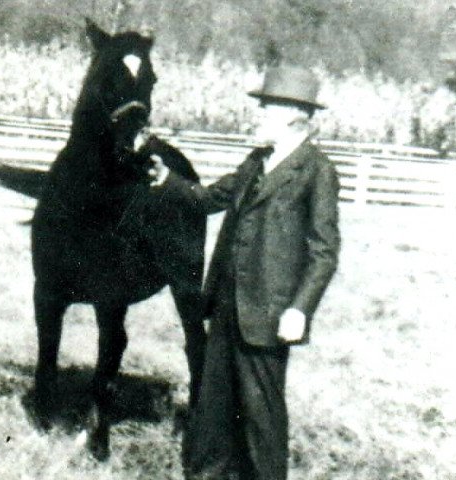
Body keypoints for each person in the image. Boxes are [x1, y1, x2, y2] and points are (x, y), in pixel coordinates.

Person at [149, 65, 341, 480]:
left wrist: (299, 309)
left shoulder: (316, 171)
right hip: (225, 305)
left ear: (293, 114)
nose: (258, 116)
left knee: (261, 415)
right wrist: (169, 181)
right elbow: (208, 198)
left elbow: (324, 252)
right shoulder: (256, 162)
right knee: (213, 406)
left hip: (270, 314)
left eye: (265, 108)